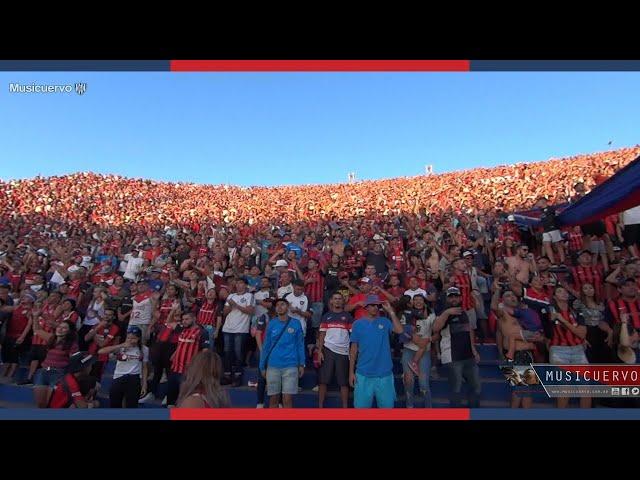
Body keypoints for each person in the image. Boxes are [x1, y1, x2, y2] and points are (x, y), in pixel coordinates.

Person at [349, 297, 403, 408]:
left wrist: (391, 312)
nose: (375, 308)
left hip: (384, 374)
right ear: (366, 307)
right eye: (372, 305)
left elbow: (399, 330)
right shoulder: (357, 324)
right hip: (363, 373)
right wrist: (351, 372)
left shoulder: (385, 321)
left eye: (377, 306)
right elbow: (353, 349)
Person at [433, 287, 482, 408]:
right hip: (453, 357)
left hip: (468, 355)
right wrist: (446, 313)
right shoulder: (442, 312)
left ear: (460, 297)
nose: (454, 299)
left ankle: (474, 414)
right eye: (451, 296)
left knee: (477, 387)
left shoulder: (463, 312)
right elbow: (435, 328)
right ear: (447, 298)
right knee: (456, 389)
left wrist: (474, 350)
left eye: (456, 296)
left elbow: (469, 330)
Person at [545, 286, 590, 409]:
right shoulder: (548, 312)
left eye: (565, 291)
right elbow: (545, 333)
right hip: (559, 351)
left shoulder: (577, 311)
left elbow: (581, 334)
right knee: (564, 388)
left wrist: (562, 320)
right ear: (554, 296)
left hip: (578, 349)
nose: (564, 293)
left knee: (586, 388)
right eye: (559, 291)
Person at [259, 298, 305, 409]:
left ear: (288, 306)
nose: (279, 307)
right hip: (273, 365)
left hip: (290, 365)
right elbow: (266, 346)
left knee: (287, 399)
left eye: (282, 304)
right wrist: (262, 366)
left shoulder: (296, 323)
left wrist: (301, 364)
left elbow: (300, 345)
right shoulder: (271, 324)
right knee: (273, 399)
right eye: (277, 305)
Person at [317, 292, 354, 408]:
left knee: (343, 382)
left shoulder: (348, 317)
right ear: (331, 301)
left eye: (339, 299)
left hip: (343, 351)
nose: (337, 301)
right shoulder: (326, 316)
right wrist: (319, 351)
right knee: (323, 380)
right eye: (335, 298)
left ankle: (344, 407)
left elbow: (352, 336)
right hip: (327, 350)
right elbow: (321, 334)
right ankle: (320, 406)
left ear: (343, 301)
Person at [98, 325, 150, 408]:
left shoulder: (144, 349)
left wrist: (144, 384)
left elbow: (144, 368)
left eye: (133, 338)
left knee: (132, 406)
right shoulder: (121, 347)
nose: (130, 340)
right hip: (119, 377)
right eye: (128, 338)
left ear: (139, 338)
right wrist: (120, 346)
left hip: (134, 378)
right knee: (115, 404)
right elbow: (101, 351)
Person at [32, 319, 79, 408]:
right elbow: (37, 330)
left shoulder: (72, 345)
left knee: (51, 405)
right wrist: (35, 316)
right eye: (59, 327)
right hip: (43, 373)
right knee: (41, 405)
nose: (60, 329)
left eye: (64, 328)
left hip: (58, 374)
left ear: (69, 332)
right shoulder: (51, 338)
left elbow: (75, 362)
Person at [399, 294, 435, 408]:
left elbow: (438, 334)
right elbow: (401, 330)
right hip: (409, 349)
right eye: (415, 300)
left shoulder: (431, 315)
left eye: (420, 300)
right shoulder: (407, 314)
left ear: (424, 302)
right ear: (412, 302)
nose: (418, 302)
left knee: (423, 383)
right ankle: (410, 407)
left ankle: (428, 409)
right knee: (408, 381)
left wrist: (429, 339)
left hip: (424, 351)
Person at [166, 312, 207, 407]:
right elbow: (169, 322)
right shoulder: (182, 330)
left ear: (194, 319)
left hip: (188, 372)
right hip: (175, 368)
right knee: (171, 400)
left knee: (184, 399)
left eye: (187, 319)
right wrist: (173, 310)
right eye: (183, 319)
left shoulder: (202, 332)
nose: (184, 321)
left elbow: (205, 352)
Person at [222, 278, 255, 386]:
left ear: (245, 285)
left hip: (241, 329)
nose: (238, 285)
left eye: (241, 283)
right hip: (228, 328)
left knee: (238, 353)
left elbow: (250, 311)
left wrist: (236, 305)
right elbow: (225, 312)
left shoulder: (249, 296)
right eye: (237, 283)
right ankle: (227, 375)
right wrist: (230, 305)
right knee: (227, 352)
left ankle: (237, 376)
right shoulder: (231, 296)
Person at [572, 283, 609, 363]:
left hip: (601, 331)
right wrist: (582, 337)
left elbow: (603, 319)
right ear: (582, 291)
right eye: (585, 288)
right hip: (588, 331)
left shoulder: (600, 303)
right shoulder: (578, 303)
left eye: (591, 288)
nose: (589, 290)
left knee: (604, 357)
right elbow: (575, 319)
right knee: (592, 357)